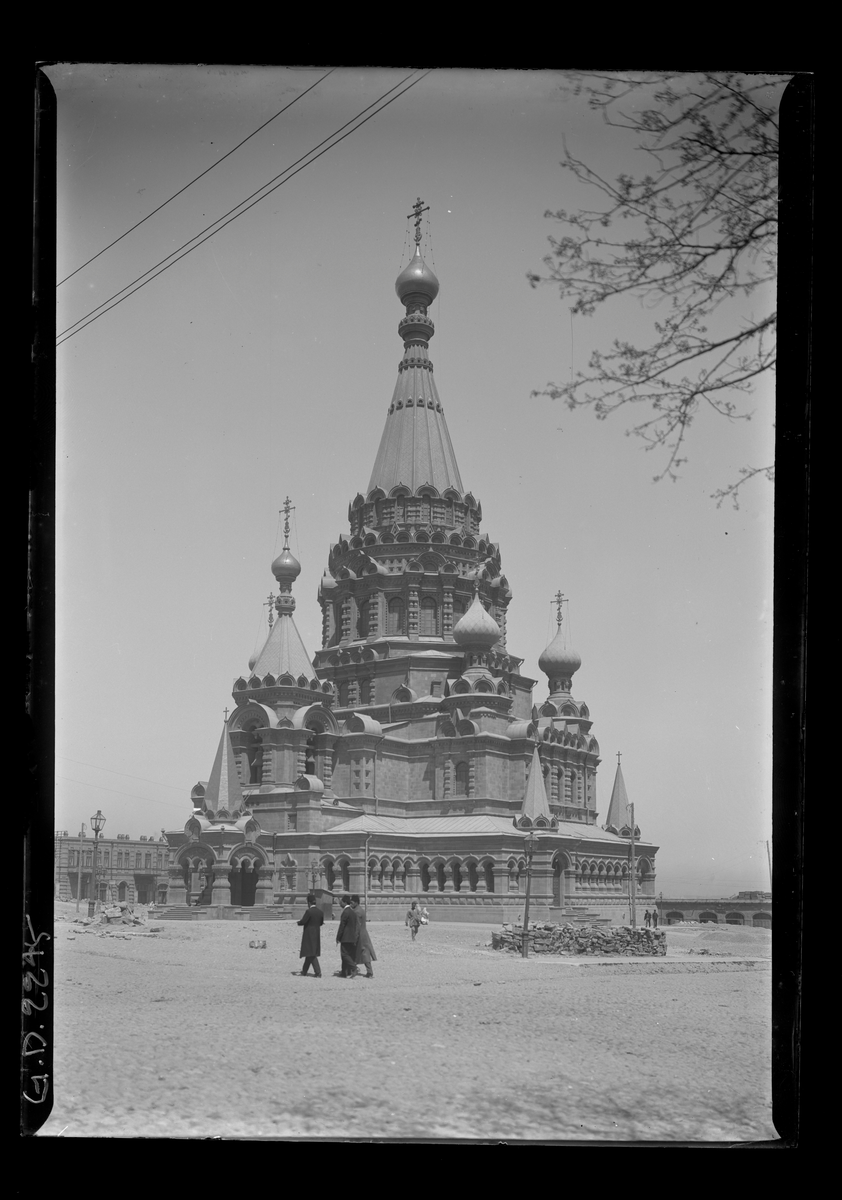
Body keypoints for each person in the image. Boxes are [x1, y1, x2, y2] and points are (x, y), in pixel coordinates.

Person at [295, 893, 324, 977]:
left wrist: (298, 922)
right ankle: (304, 971)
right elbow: (321, 923)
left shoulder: (309, 912)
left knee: (311, 953)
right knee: (309, 952)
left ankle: (318, 972)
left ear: (309, 903)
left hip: (309, 934)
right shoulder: (320, 912)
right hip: (317, 933)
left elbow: (303, 921)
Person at [351, 894, 376, 979]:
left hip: (360, 935)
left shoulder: (356, 912)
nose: (351, 904)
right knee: (365, 953)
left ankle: (354, 970)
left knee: (357, 952)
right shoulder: (361, 910)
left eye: (352, 902)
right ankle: (369, 971)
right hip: (364, 933)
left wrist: (355, 937)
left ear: (356, 902)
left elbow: (357, 926)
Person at [335, 894, 360, 977]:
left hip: (345, 937)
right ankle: (345, 972)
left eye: (341, 902)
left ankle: (353, 967)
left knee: (344, 955)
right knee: (347, 955)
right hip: (352, 937)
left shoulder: (345, 912)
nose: (340, 903)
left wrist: (338, 937)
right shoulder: (353, 912)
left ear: (345, 902)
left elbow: (342, 926)